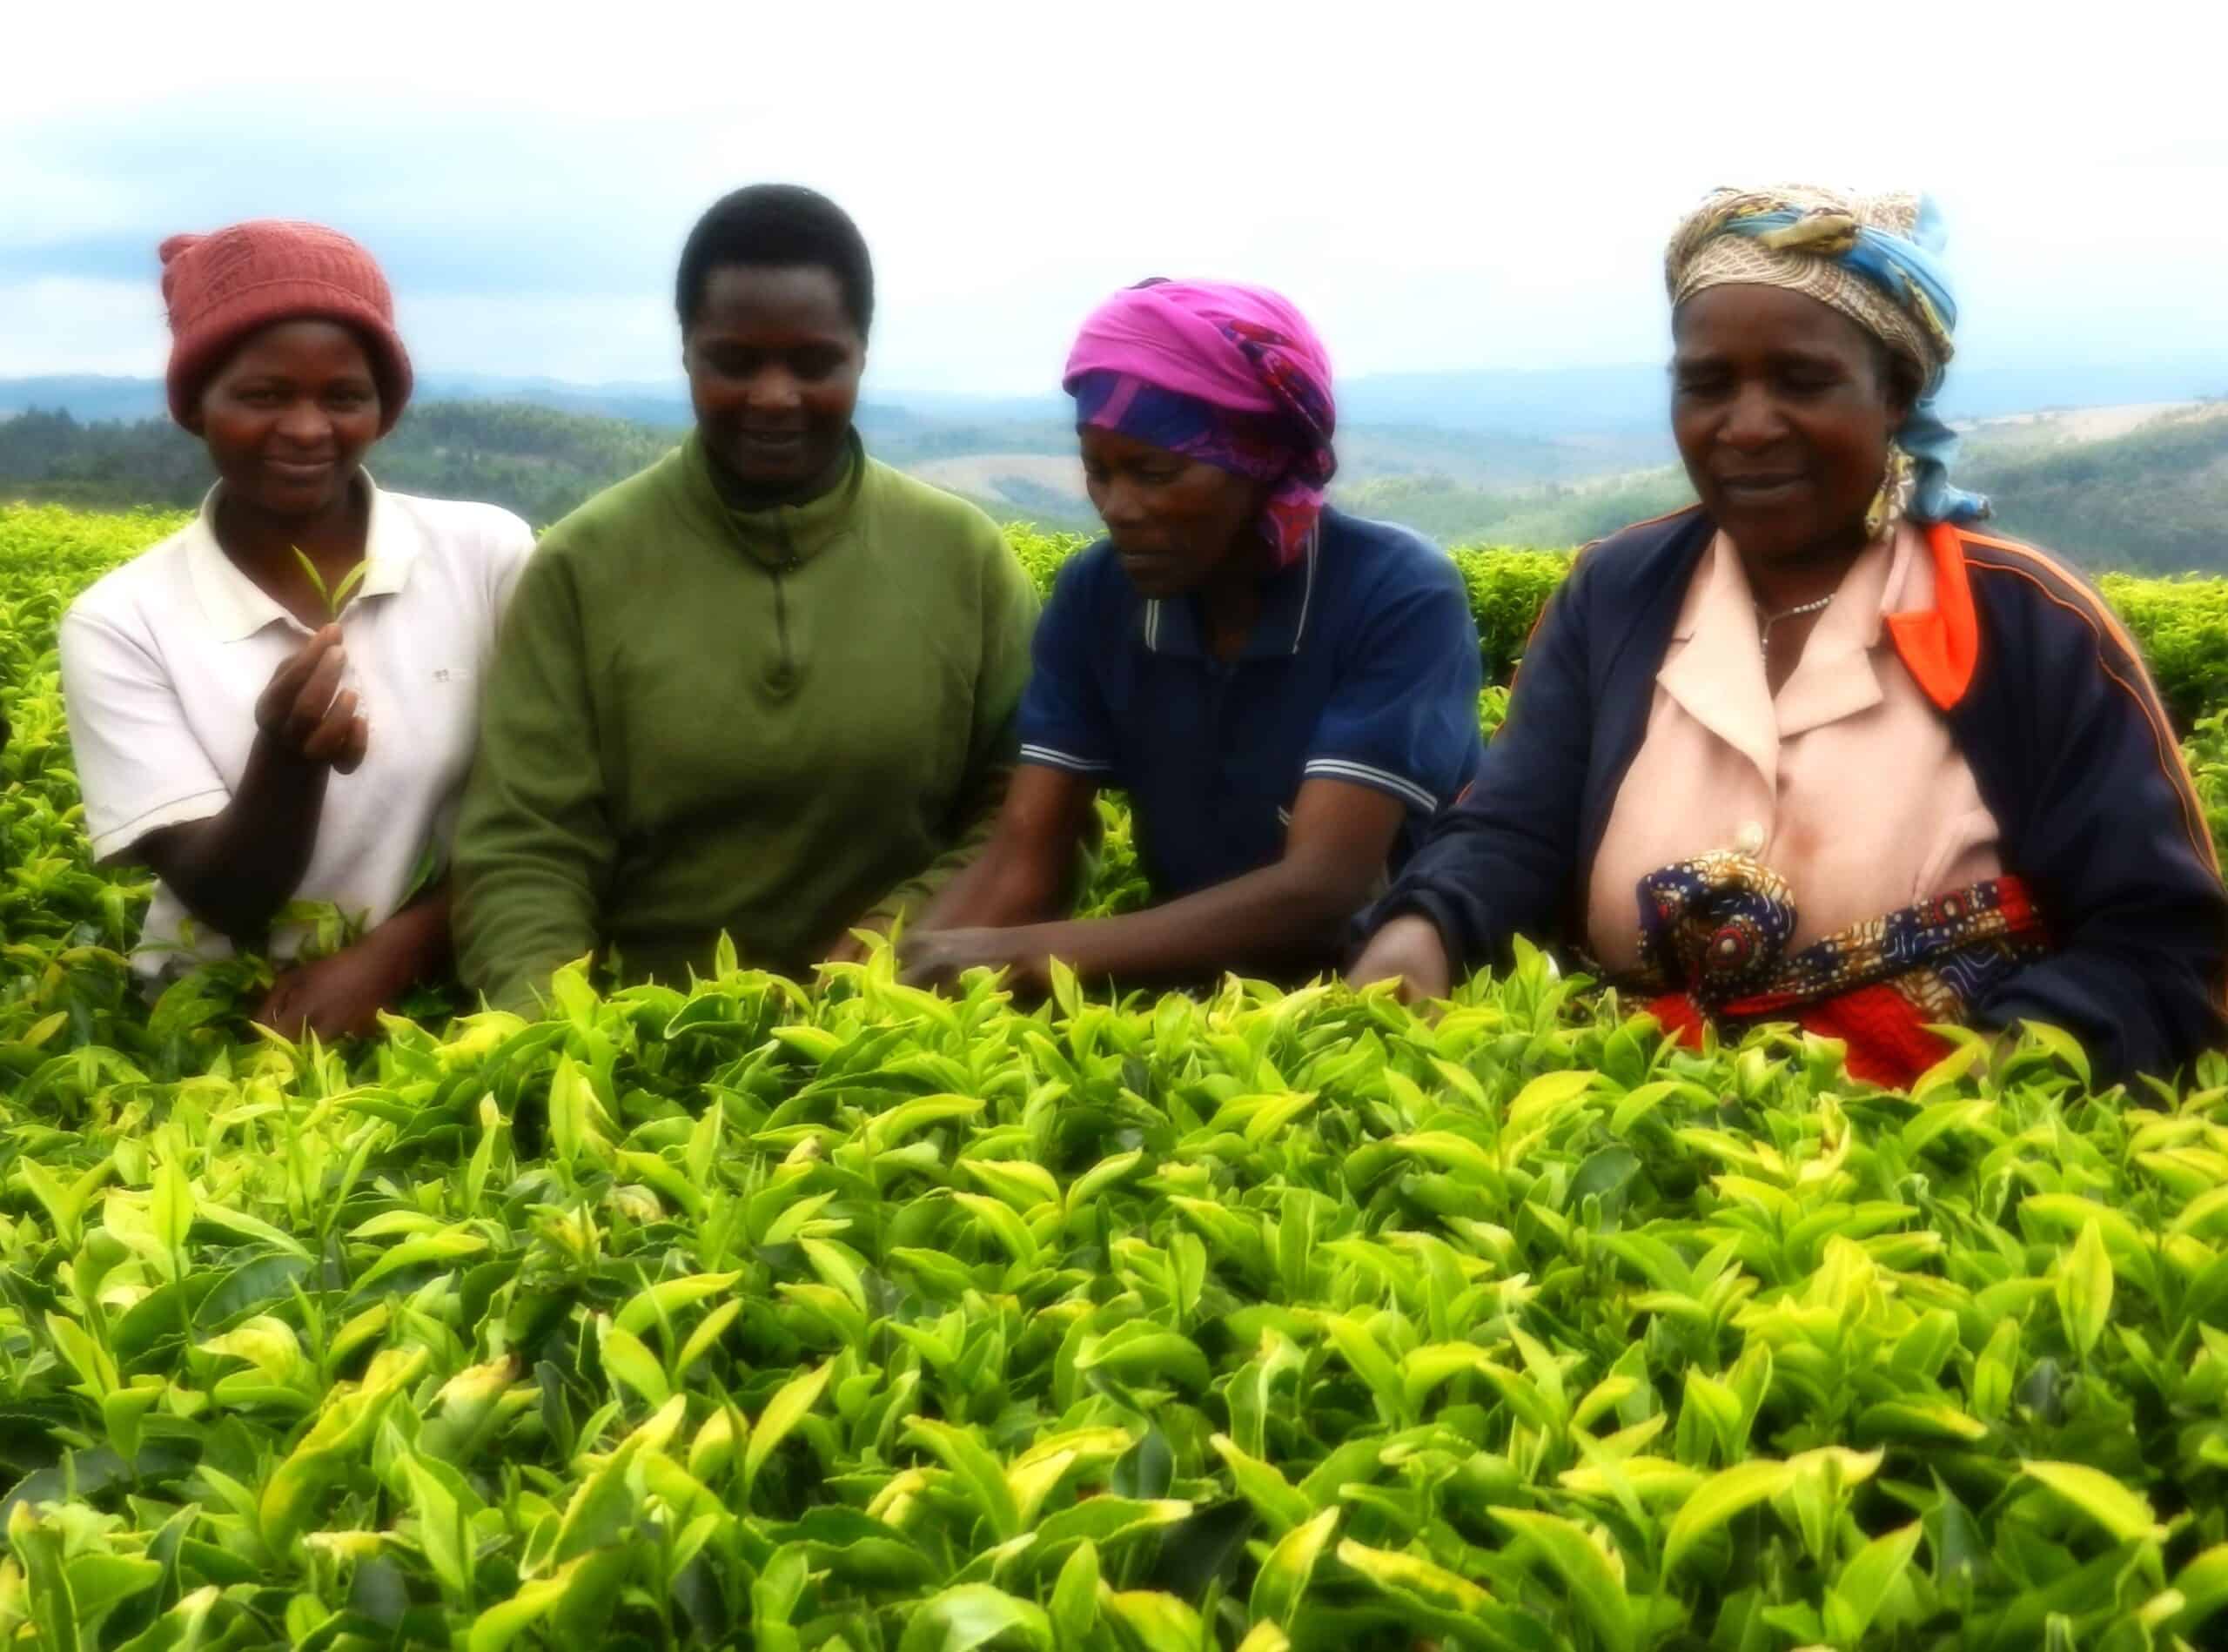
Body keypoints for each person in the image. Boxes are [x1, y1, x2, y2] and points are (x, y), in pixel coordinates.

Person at [1349, 185, 2227, 1087]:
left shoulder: (2026, 619)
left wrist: (1964, 1095)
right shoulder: (1617, 595)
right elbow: (1510, 830)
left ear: (1894, 393)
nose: (1747, 426)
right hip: (1629, 1126)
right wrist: (1424, 927)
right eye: (1707, 385)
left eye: (1802, 382)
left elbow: (2159, 942)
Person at [453, 185, 1038, 1013]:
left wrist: (895, 943)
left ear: (861, 355)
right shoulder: (585, 566)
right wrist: (556, 1036)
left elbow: (1022, 813)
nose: (773, 396)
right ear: (688, 355)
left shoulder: (964, 559)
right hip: (643, 1036)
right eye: (733, 362)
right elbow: (528, 845)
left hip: (910, 1025)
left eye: (814, 363)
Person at [899, 279, 1484, 991]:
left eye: (1155, 472)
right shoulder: (1098, 596)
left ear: (1260, 460)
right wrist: (900, 985)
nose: (1117, 507)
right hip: (1193, 995)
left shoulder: (1394, 592)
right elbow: (1024, 858)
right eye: (1097, 471)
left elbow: (1322, 890)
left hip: (1383, 1001)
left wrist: (1025, 956)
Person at [57, 221, 534, 1038]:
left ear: (383, 409)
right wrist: (286, 761)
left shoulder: (486, 557)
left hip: (451, 1001)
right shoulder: (121, 621)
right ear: (195, 406)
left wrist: (399, 952)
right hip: (218, 1021)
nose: (309, 429)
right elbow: (223, 897)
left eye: (343, 396)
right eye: (264, 395)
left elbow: (557, 811)